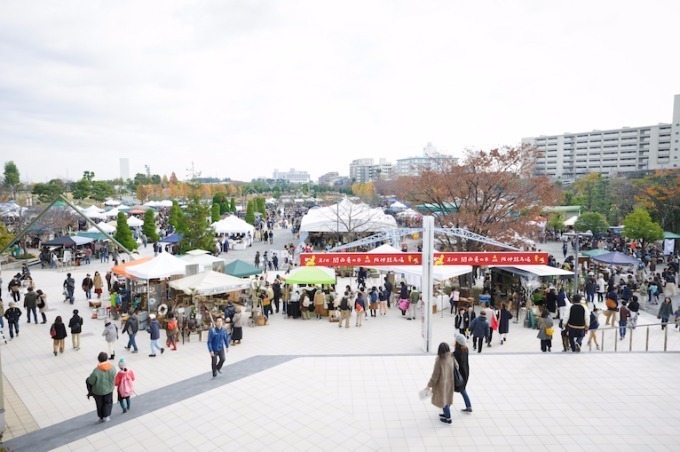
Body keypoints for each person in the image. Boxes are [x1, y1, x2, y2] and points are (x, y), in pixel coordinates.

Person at [423, 342, 455, 424]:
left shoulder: (439, 360)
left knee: (443, 401)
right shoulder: (451, 356)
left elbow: (435, 376)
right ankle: (446, 414)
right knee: (447, 398)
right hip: (450, 382)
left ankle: (448, 419)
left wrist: (428, 385)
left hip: (442, 384)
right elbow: (457, 366)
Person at [86, 352, 116, 423]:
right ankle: (107, 416)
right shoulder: (112, 368)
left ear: (98, 359)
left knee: (99, 404)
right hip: (109, 389)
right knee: (108, 402)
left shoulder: (96, 371)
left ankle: (101, 417)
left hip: (98, 392)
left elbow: (91, 381)